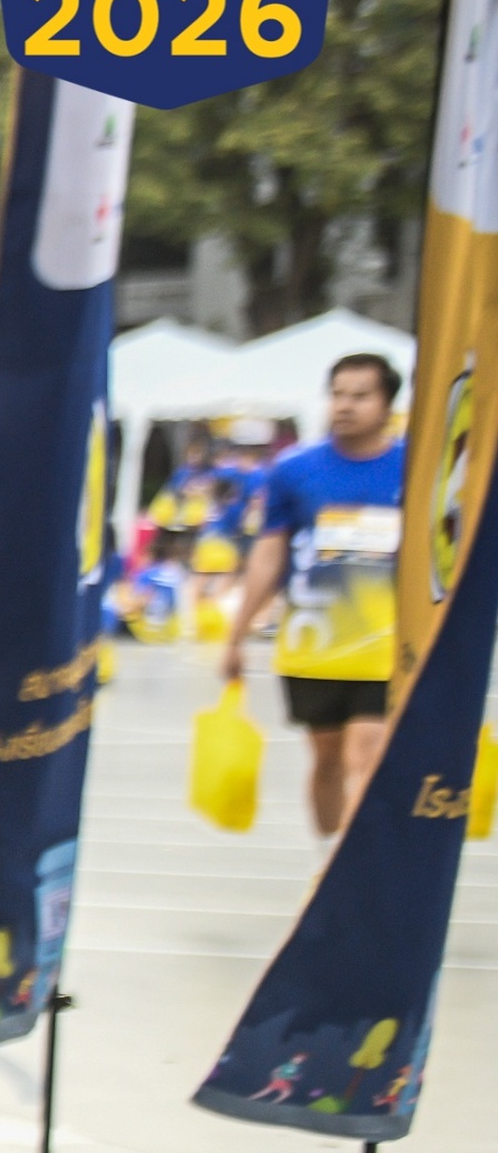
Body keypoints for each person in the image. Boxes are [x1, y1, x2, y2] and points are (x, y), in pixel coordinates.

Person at [227, 349, 409, 837]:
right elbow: (269, 554)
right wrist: (237, 633)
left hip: (386, 647)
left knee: (366, 754)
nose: (345, 405)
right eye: (338, 394)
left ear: (388, 404)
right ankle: (328, 856)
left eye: (360, 396)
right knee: (328, 760)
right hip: (316, 644)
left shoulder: (415, 467)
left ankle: (356, 870)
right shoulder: (294, 470)